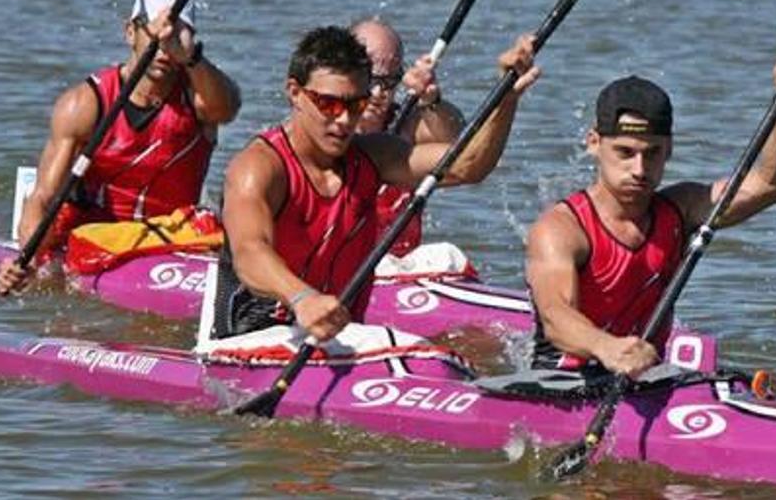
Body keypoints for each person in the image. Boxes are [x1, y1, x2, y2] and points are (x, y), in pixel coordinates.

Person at [210, 26, 539, 343]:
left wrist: (505, 100)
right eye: (328, 104)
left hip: (340, 339)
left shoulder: (374, 156)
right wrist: (303, 299)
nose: (343, 120)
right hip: (251, 338)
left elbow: (469, 166)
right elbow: (249, 253)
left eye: (355, 105)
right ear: (295, 93)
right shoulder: (259, 167)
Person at [525, 49, 776, 377]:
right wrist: (608, 348)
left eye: (653, 154)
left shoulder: (682, 209)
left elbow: (771, 185)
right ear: (594, 143)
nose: (639, 169)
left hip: (644, 378)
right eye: (625, 152)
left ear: (670, 149)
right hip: (560, 382)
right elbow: (555, 316)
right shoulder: (560, 229)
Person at [0, 0, 241, 294]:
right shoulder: (84, 104)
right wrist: (27, 257)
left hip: (170, 236)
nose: (164, 46)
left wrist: (191, 58)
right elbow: (44, 196)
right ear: (130, 32)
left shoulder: (201, 98)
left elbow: (228, 108)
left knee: (215, 228)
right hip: (95, 234)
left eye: (177, 35)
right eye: (154, 33)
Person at [351, 18, 465, 256]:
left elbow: (461, 144)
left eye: (388, 82)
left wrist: (432, 100)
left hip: (398, 266)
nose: (378, 93)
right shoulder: (321, 129)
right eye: (369, 78)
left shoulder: (409, 126)